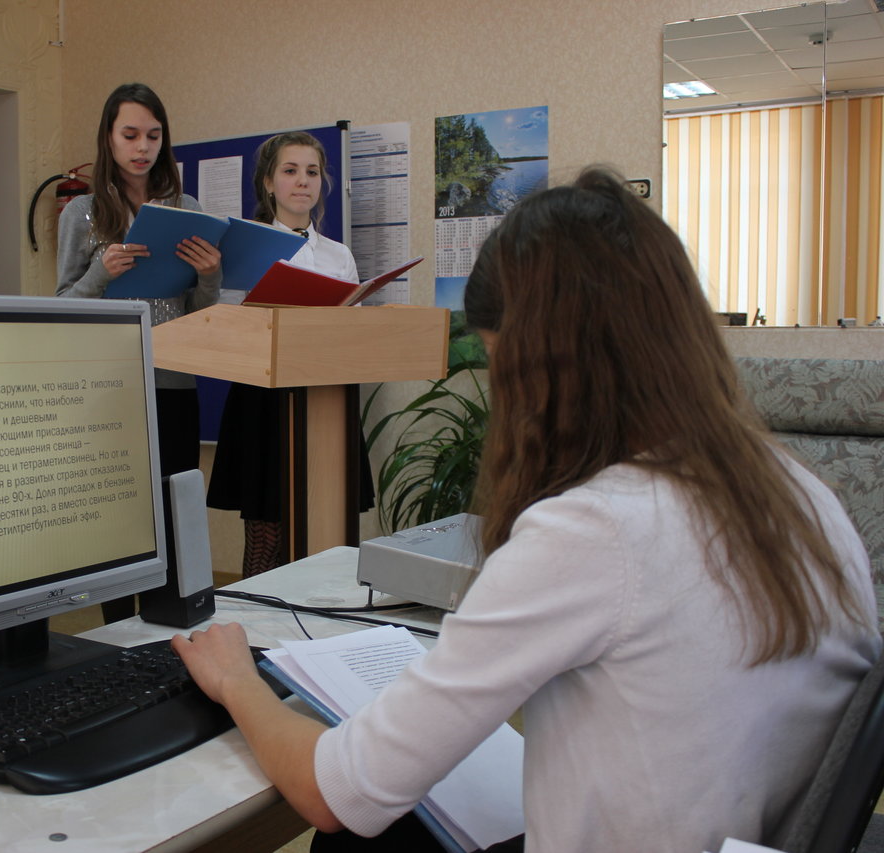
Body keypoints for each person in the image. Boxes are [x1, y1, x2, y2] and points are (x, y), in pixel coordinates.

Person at [174, 167, 882, 852]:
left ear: (545, 367)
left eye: (501, 369)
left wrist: (236, 679)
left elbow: (335, 793)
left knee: (360, 836)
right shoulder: (800, 493)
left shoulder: (596, 528)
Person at [57, 82, 220, 621]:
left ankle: (172, 631)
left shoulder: (186, 209)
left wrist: (210, 276)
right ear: (108, 138)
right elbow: (61, 307)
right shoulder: (82, 212)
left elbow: (197, 313)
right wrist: (100, 274)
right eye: (130, 135)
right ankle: (120, 634)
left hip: (173, 382)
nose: (142, 147)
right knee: (119, 521)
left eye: (153, 135)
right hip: (109, 388)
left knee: (174, 515)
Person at [206, 131, 373, 576]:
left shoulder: (338, 255)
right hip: (265, 401)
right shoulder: (247, 245)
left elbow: (354, 332)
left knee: (326, 534)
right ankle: (255, 614)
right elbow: (228, 326)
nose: (303, 181)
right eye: (290, 170)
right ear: (268, 182)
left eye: (312, 172)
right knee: (267, 535)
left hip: (327, 398)